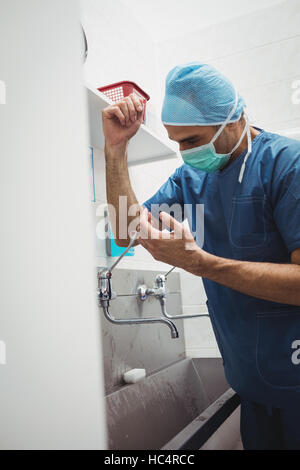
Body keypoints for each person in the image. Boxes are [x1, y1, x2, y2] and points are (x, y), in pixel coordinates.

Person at [102, 61, 300, 450]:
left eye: (193, 141)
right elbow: (126, 230)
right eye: (177, 142)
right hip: (251, 386)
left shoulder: (286, 165)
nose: (184, 153)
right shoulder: (192, 180)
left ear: (234, 120)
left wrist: (201, 263)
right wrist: (116, 148)